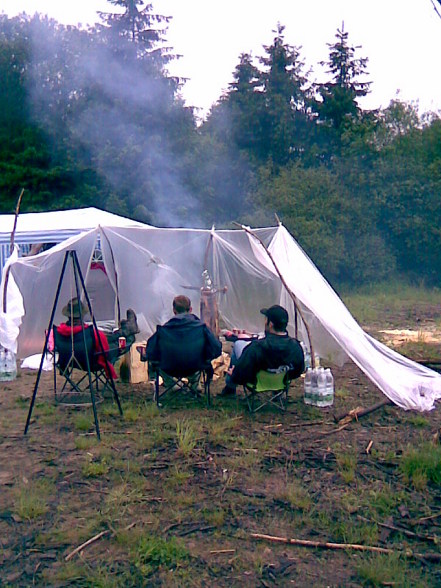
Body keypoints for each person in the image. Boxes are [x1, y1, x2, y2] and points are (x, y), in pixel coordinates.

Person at [220, 304, 305, 396]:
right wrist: (284, 377)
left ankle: (230, 387)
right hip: (280, 383)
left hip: (256, 383)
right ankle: (278, 392)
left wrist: (234, 374)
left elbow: (243, 371)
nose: (264, 322)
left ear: (270, 324)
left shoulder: (257, 347)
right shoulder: (295, 347)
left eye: (266, 319)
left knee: (238, 344)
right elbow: (299, 370)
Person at [145, 294, 222, 393]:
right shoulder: (201, 328)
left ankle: (172, 385)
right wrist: (206, 355)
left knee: (154, 362)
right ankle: (194, 383)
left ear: (174, 311)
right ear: (190, 309)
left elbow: (150, 351)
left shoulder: (164, 330)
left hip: (169, 368)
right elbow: (217, 348)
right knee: (197, 355)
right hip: (196, 366)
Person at [56, 297, 139, 380]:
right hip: (94, 362)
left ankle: (125, 330)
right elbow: (105, 350)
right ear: (82, 315)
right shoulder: (90, 332)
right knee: (127, 339)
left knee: (103, 338)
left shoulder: (59, 332)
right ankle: (127, 330)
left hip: (74, 362)